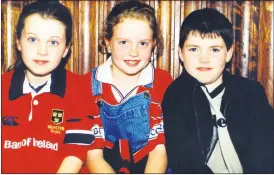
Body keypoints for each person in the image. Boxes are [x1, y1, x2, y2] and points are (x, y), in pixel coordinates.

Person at [59, 1, 173, 173]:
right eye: (123, 42)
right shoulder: (87, 84)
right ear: (108, 42)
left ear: (154, 44)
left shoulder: (161, 81)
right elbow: (93, 155)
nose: (133, 52)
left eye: (143, 43)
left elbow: (159, 149)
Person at [162, 8, 274, 174]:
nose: (204, 59)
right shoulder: (175, 97)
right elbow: (185, 162)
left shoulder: (251, 93)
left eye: (214, 49)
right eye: (194, 49)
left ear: (228, 54)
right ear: (181, 53)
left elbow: (266, 154)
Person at [1, 1, 95, 173]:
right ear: (18, 42)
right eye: (32, 39)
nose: (42, 51)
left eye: (53, 42)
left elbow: (75, 152)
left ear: (66, 49)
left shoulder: (79, 88)